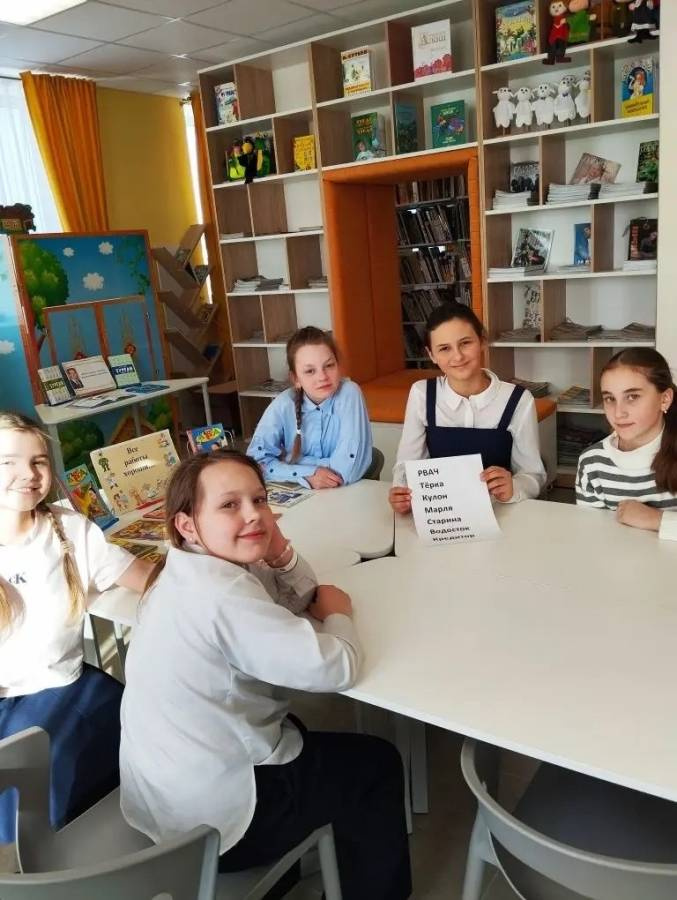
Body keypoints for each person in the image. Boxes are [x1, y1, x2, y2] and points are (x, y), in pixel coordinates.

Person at [119, 450, 411, 900]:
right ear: (187, 524)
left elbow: (299, 596)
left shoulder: (183, 568)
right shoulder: (220, 596)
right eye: (229, 505)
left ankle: (302, 856)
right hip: (215, 826)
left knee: (301, 732)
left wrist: (280, 551)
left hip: (163, 793)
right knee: (377, 763)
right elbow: (337, 667)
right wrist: (339, 615)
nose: (254, 514)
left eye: (259, 499)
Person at [0, 412, 155, 841]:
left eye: (38, 461)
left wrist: (213, 571)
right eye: (8, 462)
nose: (28, 474)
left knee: (154, 741)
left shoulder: (69, 529)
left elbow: (142, 576)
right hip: (13, 708)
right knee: (39, 816)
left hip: (69, 685)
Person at [389, 303, 546, 514]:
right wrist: (401, 491)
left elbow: (534, 475)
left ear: (482, 340)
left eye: (465, 343)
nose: (458, 357)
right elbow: (406, 466)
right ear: (431, 355)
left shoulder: (518, 399)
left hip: (501, 512)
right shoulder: (422, 394)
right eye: (444, 348)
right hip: (442, 516)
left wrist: (514, 487)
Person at [247, 327, 373, 489]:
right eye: (310, 371)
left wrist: (290, 463)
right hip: (303, 495)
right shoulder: (283, 403)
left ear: (338, 366)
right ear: (295, 378)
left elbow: (345, 472)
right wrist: (308, 474)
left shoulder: (350, 393)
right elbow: (255, 464)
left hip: (344, 493)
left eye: (329, 365)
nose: (322, 377)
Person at [576, 347, 677, 539]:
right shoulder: (592, 463)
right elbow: (592, 537)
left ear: (664, 399)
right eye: (609, 399)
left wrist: (656, 520)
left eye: (632, 397)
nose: (618, 413)